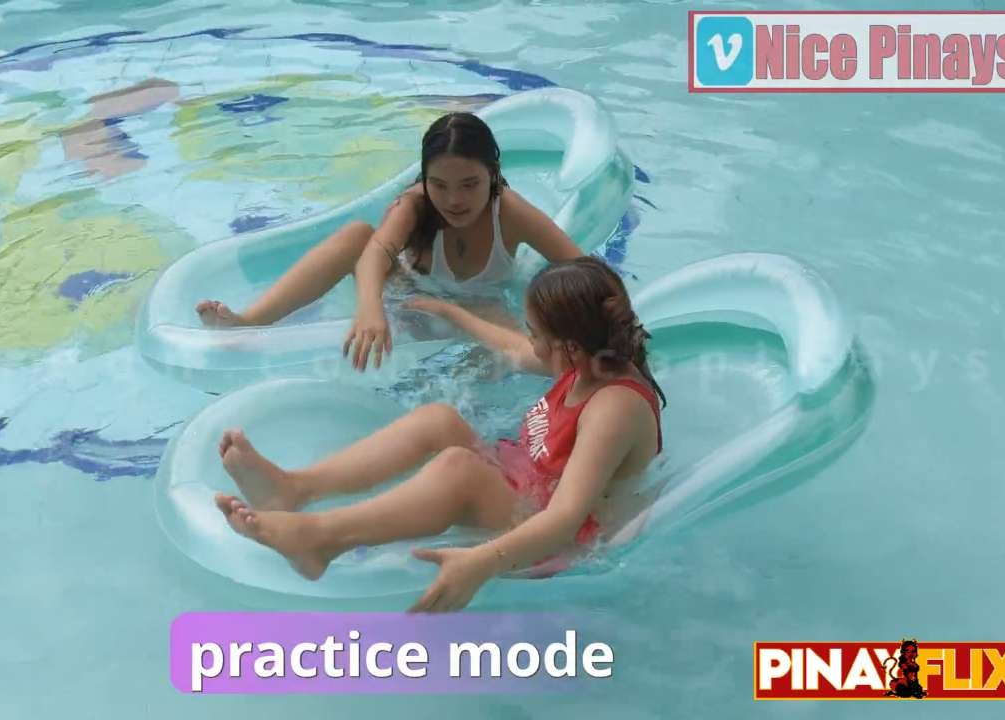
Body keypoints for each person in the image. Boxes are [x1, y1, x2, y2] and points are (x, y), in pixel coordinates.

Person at [213, 256, 667, 612]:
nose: (529, 342)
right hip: (528, 488)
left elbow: (566, 517)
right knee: (440, 419)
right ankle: (294, 488)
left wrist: (481, 562)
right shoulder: (588, 357)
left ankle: (322, 539)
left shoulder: (613, 407)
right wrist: (453, 313)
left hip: (562, 541)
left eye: (535, 334)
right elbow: (511, 348)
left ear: (568, 345)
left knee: (460, 468)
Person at [194, 111, 584, 371]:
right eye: (439, 185)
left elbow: (583, 269)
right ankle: (250, 322)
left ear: (493, 175)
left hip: (478, 311)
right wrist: (370, 309)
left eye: (469, 185)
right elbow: (373, 255)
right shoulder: (414, 204)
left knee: (531, 354)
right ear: (425, 179)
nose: (454, 200)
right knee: (357, 235)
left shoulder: (509, 212)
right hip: (408, 297)